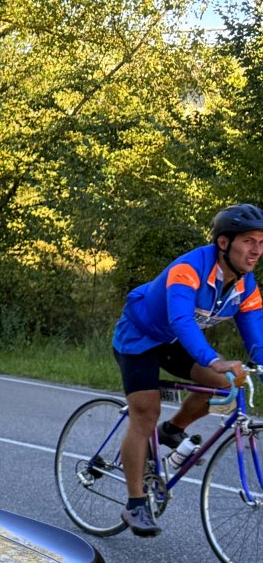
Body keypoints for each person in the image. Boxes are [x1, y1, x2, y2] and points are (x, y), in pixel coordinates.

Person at [112, 203, 263, 535]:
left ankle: (172, 429)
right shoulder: (189, 269)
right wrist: (213, 359)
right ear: (224, 242)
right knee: (145, 412)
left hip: (175, 343)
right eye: (249, 241)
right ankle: (135, 504)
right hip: (140, 338)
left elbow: (257, 343)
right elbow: (181, 320)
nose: (257, 251)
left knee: (225, 385)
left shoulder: (246, 286)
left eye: (261, 242)